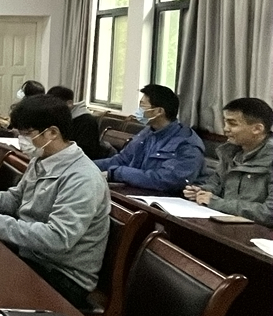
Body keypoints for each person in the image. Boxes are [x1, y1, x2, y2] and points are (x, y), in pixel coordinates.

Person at [0, 95, 109, 308]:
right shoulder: (41, 160)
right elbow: (17, 199)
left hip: (62, 275)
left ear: (52, 132)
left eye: (27, 134)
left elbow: (58, 238)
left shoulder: (82, 178)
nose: (22, 140)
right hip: (31, 255)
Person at [95, 84, 205, 193]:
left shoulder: (187, 143)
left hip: (164, 198)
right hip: (135, 192)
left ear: (159, 111)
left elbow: (166, 180)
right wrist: (89, 165)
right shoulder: (148, 132)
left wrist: (118, 173)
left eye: (143, 106)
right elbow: (122, 160)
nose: (139, 110)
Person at [184, 97, 273, 226]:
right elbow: (216, 184)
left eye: (233, 124)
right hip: (224, 223)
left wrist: (215, 202)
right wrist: (201, 192)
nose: (225, 129)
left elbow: (269, 213)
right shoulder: (229, 152)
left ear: (257, 129)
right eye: (225, 122)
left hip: (257, 232)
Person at [46, 85, 111, 160]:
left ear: (69, 103)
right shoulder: (59, 118)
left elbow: (85, 152)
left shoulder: (86, 121)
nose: (51, 109)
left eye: (54, 105)